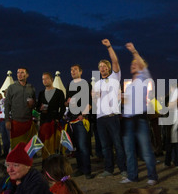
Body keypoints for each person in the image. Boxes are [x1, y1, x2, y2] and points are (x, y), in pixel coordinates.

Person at [120, 42, 159, 184]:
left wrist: (134, 52)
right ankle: (132, 176)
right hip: (128, 119)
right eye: (131, 63)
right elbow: (128, 102)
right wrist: (122, 98)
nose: (133, 65)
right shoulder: (130, 85)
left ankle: (152, 176)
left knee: (146, 149)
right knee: (129, 150)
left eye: (135, 63)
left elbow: (141, 64)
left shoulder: (144, 76)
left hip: (140, 119)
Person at [92, 39, 127, 178]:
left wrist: (109, 47)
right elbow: (95, 101)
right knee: (105, 145)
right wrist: (94, 96)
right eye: (100, 66)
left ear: (109, 68)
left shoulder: (115, 77)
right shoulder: (96, 84)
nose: (102, 68)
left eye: (104, 66)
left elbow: (115, 61)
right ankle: (108, 169)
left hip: (112, 116)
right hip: (100, 118)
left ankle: (123, 168)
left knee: (117, 144)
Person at [65, 64, 93, 179]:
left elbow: (91, 102)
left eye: (75, 70)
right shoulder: (69, 85)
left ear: (81, 72)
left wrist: (83, 114)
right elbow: (66, 103)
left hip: (81, 120)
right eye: (71, 70)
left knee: (83, 146)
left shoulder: (86, 84)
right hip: (71, 120)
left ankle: (87, 170)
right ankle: (80, 168)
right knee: (75, 147)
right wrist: (67, 102)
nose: (73, 72)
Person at [5, 68, 38, 150]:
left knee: (28, 148)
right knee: (16, 148)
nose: (19, 74)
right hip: (16, 122)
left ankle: (27, 163)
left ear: (27, 75)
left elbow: (34, 104)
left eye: (22, 72)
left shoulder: (31, 88)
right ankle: (15, 163)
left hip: (28, 123)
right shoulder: (11, 87)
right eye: (18, 72)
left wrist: (33, 104)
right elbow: (7, 105)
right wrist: (7, 120)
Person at [37, 72, 65, 158]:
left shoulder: (59, 92)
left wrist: (58, 118)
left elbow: (63, 108)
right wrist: (40, 109)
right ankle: (45, 164)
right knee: (45, 145)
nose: (44, 81)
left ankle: (55, 164)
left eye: (46, 78)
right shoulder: (41, 93)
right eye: (43, 79)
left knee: (55, 144)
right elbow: (38, 108)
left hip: (54, 122)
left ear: (51, 80)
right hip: (44, 122)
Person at [0, 90, 10, 158]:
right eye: (4, 92)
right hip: (2, 121)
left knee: (9, 137)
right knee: (4, 138)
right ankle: (5, 152)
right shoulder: (1, 100)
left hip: (8, 120)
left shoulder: (12, 99)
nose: (5, 93)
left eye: (6, 92)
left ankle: (10, 153)